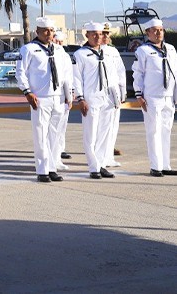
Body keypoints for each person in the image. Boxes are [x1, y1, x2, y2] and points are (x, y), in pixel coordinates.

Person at [15, 17, 73, 183]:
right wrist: (27, 92)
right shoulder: (29, 49)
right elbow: (20, 73)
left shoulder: (60, 51)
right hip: (40, 98)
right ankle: (42, 170)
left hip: (58, 98)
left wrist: (69, 95)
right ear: (37, 32)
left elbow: (66, 74)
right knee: (40, 134)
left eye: (52, 30)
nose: (49, 34)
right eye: (46, 30)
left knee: (55, 135)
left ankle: (52, 167)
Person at [73, 22, 121, 180]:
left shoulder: (107, 53)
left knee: (104, 134)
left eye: (100, 34)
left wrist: (116, 95)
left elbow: (113, 75)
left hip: (107, 98)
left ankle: (100, 164)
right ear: (86, 35)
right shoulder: (80, 54)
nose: (97, 36)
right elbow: (77, 78)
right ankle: (93, 167)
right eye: (94, 33)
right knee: (91, 134)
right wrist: (80, 98)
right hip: (91, 98)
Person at [131, 18, 177, 177]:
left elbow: (175, 73)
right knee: (154, 131)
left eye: (161, 30)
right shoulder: (143, 51)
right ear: (148, 32)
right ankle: (155, 166)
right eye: (155, 30)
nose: (159, 33)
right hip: (152, 97)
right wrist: (139, 94)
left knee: (166, 131)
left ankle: (165, 165)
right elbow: (138, 73)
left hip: (169, 97)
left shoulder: (171, 49)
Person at [101, 22, 126, 164]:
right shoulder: (92, 50)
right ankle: (100, 157)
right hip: (100, 93)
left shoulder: (113, 51)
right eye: (103, 33)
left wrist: (123, 91)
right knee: (102, 126)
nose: (105, 36)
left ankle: (109, 156)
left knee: (113, 125)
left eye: (107, 33)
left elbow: (120, 72)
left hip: (114, 93)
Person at [52, 31, 74, 170]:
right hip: (54, 95)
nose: (59, 44)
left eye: (61, 42)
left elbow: (69, 76)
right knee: (53, 128)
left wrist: (70, 93)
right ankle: (55, 154)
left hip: (64, 94)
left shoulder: (65, 55)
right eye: (57, 41)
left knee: (62, 124)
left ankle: (60, 148)